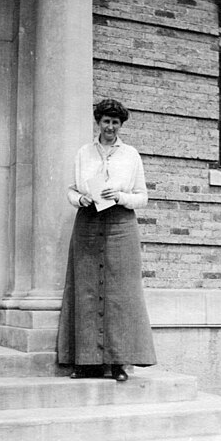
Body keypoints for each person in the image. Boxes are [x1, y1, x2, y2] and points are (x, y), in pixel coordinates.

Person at [57, 99, 157, 381]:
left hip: (120, 224)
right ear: (98, 122)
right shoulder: (84, 153)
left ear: (120, 125)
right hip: (89, 222)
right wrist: (81, 198)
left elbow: (143, 197)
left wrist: (121, 197)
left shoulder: (131, 155)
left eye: (115, 123)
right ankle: (86, 362)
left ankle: (118, 363)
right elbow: (71, 190)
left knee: (121, 293)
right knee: (86, 288)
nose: (110, 127)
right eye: (105, 121)